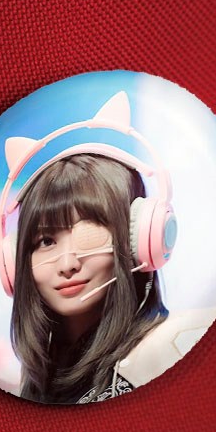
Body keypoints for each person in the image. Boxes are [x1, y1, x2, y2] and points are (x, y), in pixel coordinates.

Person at [9, 152, 168, 405]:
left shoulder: (167, 352)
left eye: (89, 235)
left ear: (137, 240)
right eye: (46, 241)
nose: (67, 265)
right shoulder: (38, 377)